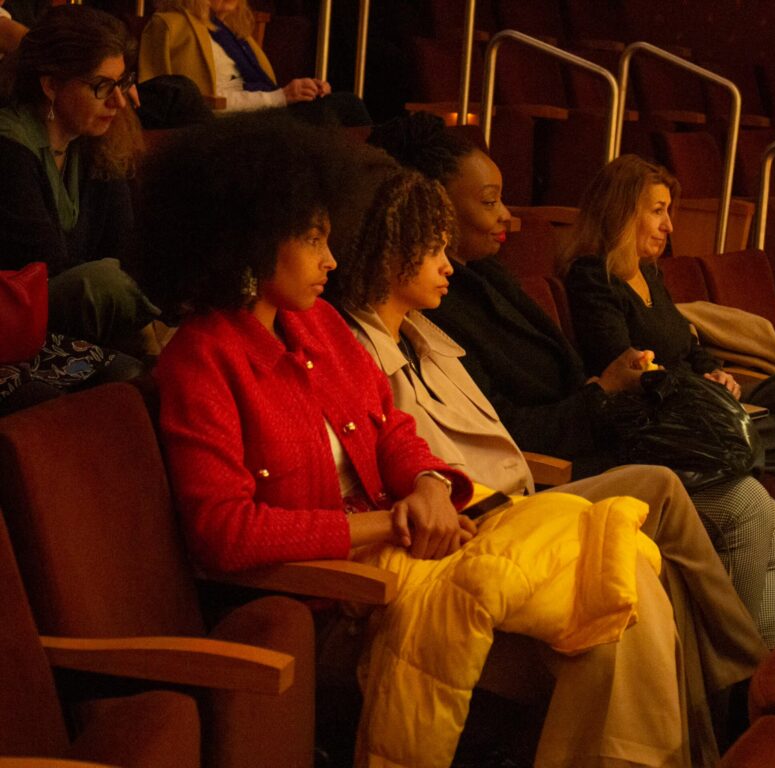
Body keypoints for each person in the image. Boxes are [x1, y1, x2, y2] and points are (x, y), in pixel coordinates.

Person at [139, 112, 695, 768]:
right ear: (254, 240)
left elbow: (392, 428)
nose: (332, 260)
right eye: (314, 240)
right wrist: (389, 524)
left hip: (411, 564)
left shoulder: (316, 324)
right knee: (604, 637)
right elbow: (225, 533)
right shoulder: (200, 362)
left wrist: (430, 484)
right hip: (335, 606)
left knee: (619, 598)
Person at [330, 165, 769, 763]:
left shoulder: (428, 336)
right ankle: (742, 689)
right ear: (391, 254)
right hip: (492, 515)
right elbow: (414, 464)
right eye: (434, 250)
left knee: (652, 545)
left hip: (522, 495)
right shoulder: (357, 352)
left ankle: (727, 704)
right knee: (641, 565)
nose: (450, 266)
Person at [370, 112, 775, 651]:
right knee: (750, 513)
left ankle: (767, 678)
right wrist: (604, 391)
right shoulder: (434, 309)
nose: (508, 217)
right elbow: (504, 435)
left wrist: (616, 388)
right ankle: (747, 682)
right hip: (557, 470)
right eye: (489, 201)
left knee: (768, 509)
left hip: (601, 441)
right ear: (435, 207)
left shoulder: (487, 275)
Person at [561, 154, 775, 548]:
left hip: (706, 398)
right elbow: (627, 366)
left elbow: (688, 343)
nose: (669, 226)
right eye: (658, 211)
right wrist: (701, 388)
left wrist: (716, 373)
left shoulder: (648, 271)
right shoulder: (593, 277)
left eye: (669, 211)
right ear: (622, 212)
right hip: (671, 419)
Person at [0, 5, 158, 352]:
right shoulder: (9, 148)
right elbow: (45, 268)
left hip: (81, 309)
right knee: (103, 285)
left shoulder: (95, 140)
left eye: (121, 84)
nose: (118, 101)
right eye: (102, 86)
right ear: (52, 85)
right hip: (23, 314)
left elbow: (124, 243)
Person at [138, 0, 368, 125]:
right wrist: (281, 97)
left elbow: (268, 88)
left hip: (264, 116)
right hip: (228, 126)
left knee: (344, 103)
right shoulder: (170, 26)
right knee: (341, 110)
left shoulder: (236, 34)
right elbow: (169, 102)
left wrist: (304, 91)